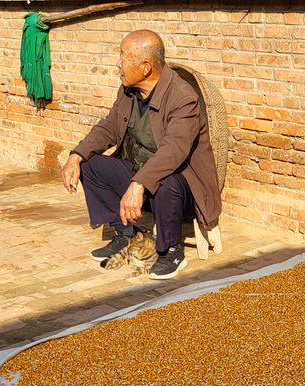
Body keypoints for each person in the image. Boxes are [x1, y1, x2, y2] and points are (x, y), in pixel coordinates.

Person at [62, 29, 221, 280]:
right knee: (91, 164)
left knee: (166, 181)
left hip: (182, 189)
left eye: (123, 58)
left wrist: (138, 185)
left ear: (145, 67)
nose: (118, 64)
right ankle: (125, 235)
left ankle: (172, 250)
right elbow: (109, 128)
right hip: (141, 178)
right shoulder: (128, 92)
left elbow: (173, 151)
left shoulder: (182, 98)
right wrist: (76, 156)